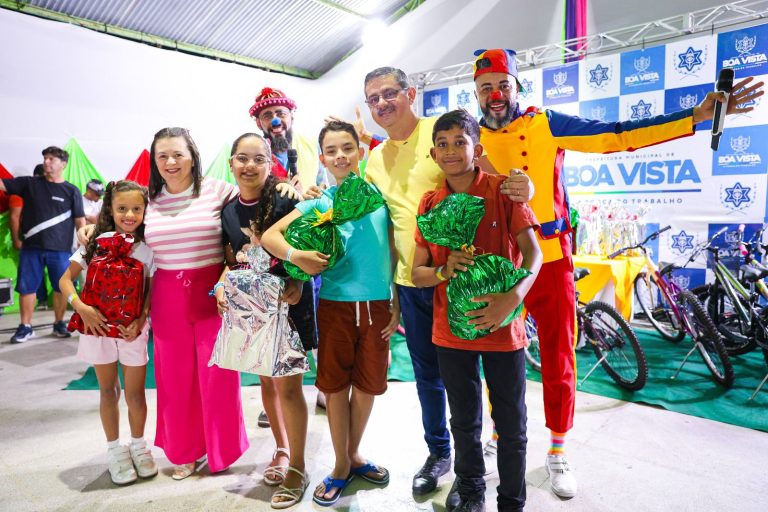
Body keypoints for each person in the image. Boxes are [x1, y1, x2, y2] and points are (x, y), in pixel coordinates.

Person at [471, 48, 765, 499]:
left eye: (502, 85)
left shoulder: (544, 124)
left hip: (549, 258)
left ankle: (557, 448)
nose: (495, 95)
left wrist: (695, 116)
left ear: (517, 87)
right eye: (486, 88)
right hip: (498, 262)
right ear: (476, 93)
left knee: (559, 354)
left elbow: (617, 134)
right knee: (497, 354)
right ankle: (497, 431)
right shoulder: (468, 137)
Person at [359, 66, 533, 502]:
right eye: (373, 98)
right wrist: (394, 290)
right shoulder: (374, 160)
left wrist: (522, 187)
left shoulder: (440, 131)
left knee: (494, 398)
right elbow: (380, 224)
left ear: (410, 94)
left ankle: (489, 484)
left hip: (475, 289)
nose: (381, 103)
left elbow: (496, 184)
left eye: (389, 93)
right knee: (432, 380)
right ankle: (442, 458)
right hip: (417, 281)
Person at [262, 121, 399, 506]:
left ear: (361, 152)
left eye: (347, 148)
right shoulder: (320, 202)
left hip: (377, 306)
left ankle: (353, 455)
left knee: (369, 386)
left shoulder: (379, 197)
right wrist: (298, 256)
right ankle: (340, 464)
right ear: (322, 159)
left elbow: (392, 249)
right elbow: (271, 236)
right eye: (332, 151)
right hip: (335, 307)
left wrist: (396, 301)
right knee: (336, 388)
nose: (341, 156)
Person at [412, 109, 541, 512]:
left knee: (511, 423)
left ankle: (512, 501)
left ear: (478, 149)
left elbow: (534, 254)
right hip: (451, 333)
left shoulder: (503, 191)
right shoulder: (430, 203)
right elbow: (417, 273)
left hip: (503, 331)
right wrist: (443, 270)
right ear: (433, 154)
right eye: (443, 144)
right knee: (464, 420)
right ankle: (470, 491)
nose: (451, 151)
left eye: (460, 142)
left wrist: (512, 298)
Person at [216, 132, 316, 508]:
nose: (249, 166)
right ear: (231, 163)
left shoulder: (285, 198)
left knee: (289, 388)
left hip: (289, 305)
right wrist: (221, 286)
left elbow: (311, 247)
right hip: (253, 307)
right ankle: (282, 449)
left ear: (270, 163)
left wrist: (299, 282)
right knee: (266, 383)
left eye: (258, 159)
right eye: (242, 158)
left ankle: (298, 468)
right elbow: (231, 261)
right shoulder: (228, 212)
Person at [58, 180, 157, 486]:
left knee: (135, 393)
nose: (129, 215)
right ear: (110, 210)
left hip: (131, 331)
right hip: (96, 328)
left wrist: (141, 320)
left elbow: (149, 292)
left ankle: (139, 446)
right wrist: (81, 307)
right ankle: (115, 450)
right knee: (108, 391)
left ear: (145, 211)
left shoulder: (147, 249)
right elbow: (65, 280)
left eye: (137, 209)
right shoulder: (93, 244)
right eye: (122, 208)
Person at [249, 87, 328, 417]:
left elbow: (326, 188)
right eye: (267, 115)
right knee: (275, 325)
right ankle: (275, 400)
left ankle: (325, 387)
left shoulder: (309, 148)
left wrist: (312, 193)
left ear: (291, 116)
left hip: (310, 246)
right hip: (269, 253)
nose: (275, 120)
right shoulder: (253, 154)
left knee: (319, 320)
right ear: (259, 123)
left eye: (280, 113)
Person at [0, 146, 85, 343]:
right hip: (31, 249)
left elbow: (80, 221)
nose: (46, 161)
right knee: (27, 288)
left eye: (51, 159)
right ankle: (25, 327)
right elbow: (3, 184)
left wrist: (83, 247)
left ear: (63, 164)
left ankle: (59, 324)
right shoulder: (29, 184)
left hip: (61, 250)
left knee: (61, 288)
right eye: (45, 158)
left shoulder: (71, 191)